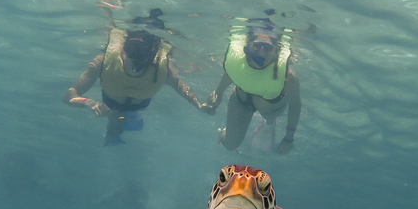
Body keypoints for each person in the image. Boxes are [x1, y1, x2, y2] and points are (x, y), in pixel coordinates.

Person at [64, 25, 204, 145]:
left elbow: (180, 85)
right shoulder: (102, 63)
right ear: (124, 48)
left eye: (141, 51)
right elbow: (69, 95)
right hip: (112, 104)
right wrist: (89, 103)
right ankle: (114, 137)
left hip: (137, 104)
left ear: (152, 52)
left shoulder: (160, 70)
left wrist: (198, 104)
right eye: (132, 48)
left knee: (117, 117)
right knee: (115, 119)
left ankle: (124, 122)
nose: (135, 57)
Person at [200, 26, 302, 155]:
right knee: (230, 145)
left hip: (271, 109)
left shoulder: (288, 76)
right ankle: (225, 131)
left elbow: (295, 105)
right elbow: (232, 72)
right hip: (241, 100)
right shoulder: (239, 61)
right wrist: (218, 92)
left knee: (269, 117)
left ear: (277, 52)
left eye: (269, 48)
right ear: (248, 47)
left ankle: (269, 123)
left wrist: (289, 139)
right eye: (257, 46)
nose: (261, 53)